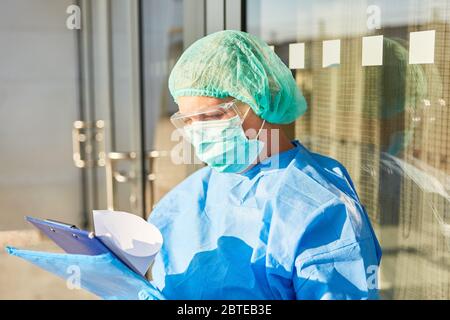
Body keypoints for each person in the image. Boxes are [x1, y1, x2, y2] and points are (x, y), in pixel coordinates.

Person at [146, 30, 382, 300]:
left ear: (261, 99)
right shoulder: (182, 201)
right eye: (187, 120)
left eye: (212, 115)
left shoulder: (319, 207)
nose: (199, 131)